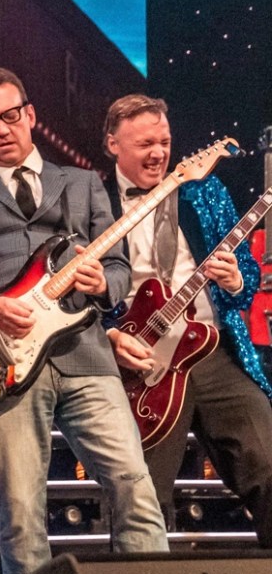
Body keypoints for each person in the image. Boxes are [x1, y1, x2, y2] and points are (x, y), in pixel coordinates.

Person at [0, 67, 166, 574]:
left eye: (11, 115)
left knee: (133, 485)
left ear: (30, 115)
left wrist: (103, 284)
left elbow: (119, 269)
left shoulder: (82, 183)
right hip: (6, 362)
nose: (2, 129)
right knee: (19, 509)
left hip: (86, 356)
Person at [102, 94, 272, 548]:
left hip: (211, 351)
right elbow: (83, 294)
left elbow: (247, 275)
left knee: (268, 461)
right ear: (113, 143)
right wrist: (111, 337)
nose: (158, 153)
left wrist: (236, 280)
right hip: (143, 365)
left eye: (164, 141)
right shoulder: (94, 200)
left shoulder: (204, 191)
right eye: (145, 144)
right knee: (142, 499)